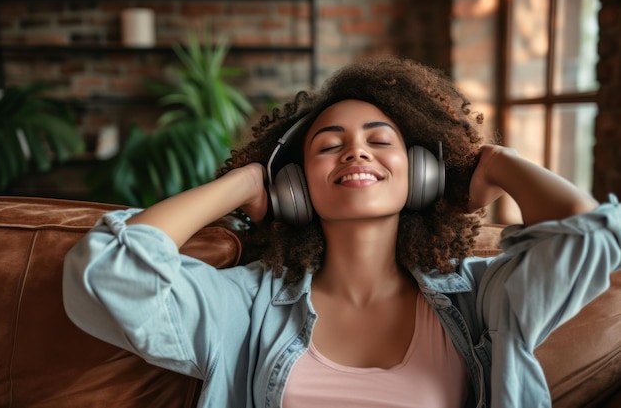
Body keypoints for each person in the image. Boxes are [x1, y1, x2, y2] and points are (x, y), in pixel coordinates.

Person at [63, 57, 621, 408]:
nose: (356, 150)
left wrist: (495, 164)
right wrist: (244, 184)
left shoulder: (484, 299)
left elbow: (590, 237)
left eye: (380, 140)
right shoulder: (244, 306)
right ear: (294, 186)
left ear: (422, 174)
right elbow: (110, 270)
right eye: (328, 145)